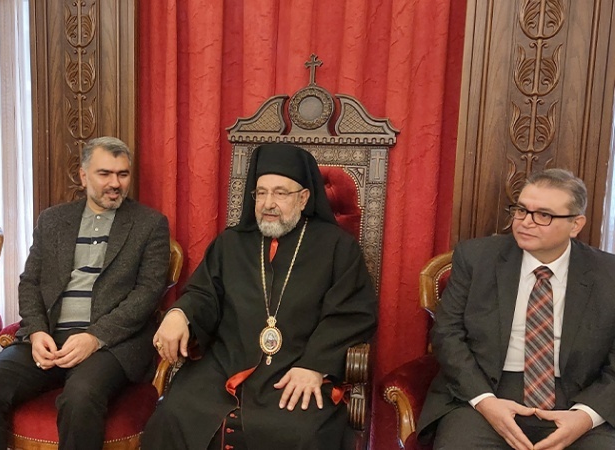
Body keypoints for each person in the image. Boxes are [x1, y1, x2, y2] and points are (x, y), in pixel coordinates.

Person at [142, 143, 377, 450]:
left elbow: (351, 314)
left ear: (304, 198)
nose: (268, 203)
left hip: (296, 368)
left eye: (280, 193)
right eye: (261, 192)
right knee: (173, 415)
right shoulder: (231, 243)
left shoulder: (338, 248)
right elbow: (203, 294)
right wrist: (179, 314)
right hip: (226, 363)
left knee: (305, 433)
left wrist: (315, 365)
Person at [0, 136, 170, 450]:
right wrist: (36, 332)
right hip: (49, 337)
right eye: (105, 174)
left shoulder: (150, 224)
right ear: (84, 176)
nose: (115, 183)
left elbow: (147, 294)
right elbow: (30, 282)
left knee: (80, 396)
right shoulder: (53, 220)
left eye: (122, 174)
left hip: (110, 345)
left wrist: (94, 337)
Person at [417, 169, 615, 449]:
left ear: (575, 224)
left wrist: (585, 416)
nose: (525, 223)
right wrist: (485, 402)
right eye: (521, 210)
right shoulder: (476, 258)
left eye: (543, 215)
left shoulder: (608, 274)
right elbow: (446, 334)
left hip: (579, 398)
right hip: (486, 391)